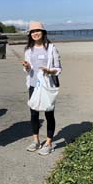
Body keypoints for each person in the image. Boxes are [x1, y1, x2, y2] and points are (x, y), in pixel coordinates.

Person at [21, 21, 62, 156]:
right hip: (33, 86)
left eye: (37, 31)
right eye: (32, 32)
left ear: (43, 32)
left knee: (49, 113)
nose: (35, 33)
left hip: (48, 86)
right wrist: (26, 66)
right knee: (34, 114)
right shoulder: (28, 49)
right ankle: (36, 140)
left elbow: (58, 69)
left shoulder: (51, 48)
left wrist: (49, 71)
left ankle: (49, 143)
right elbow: (28, 70)